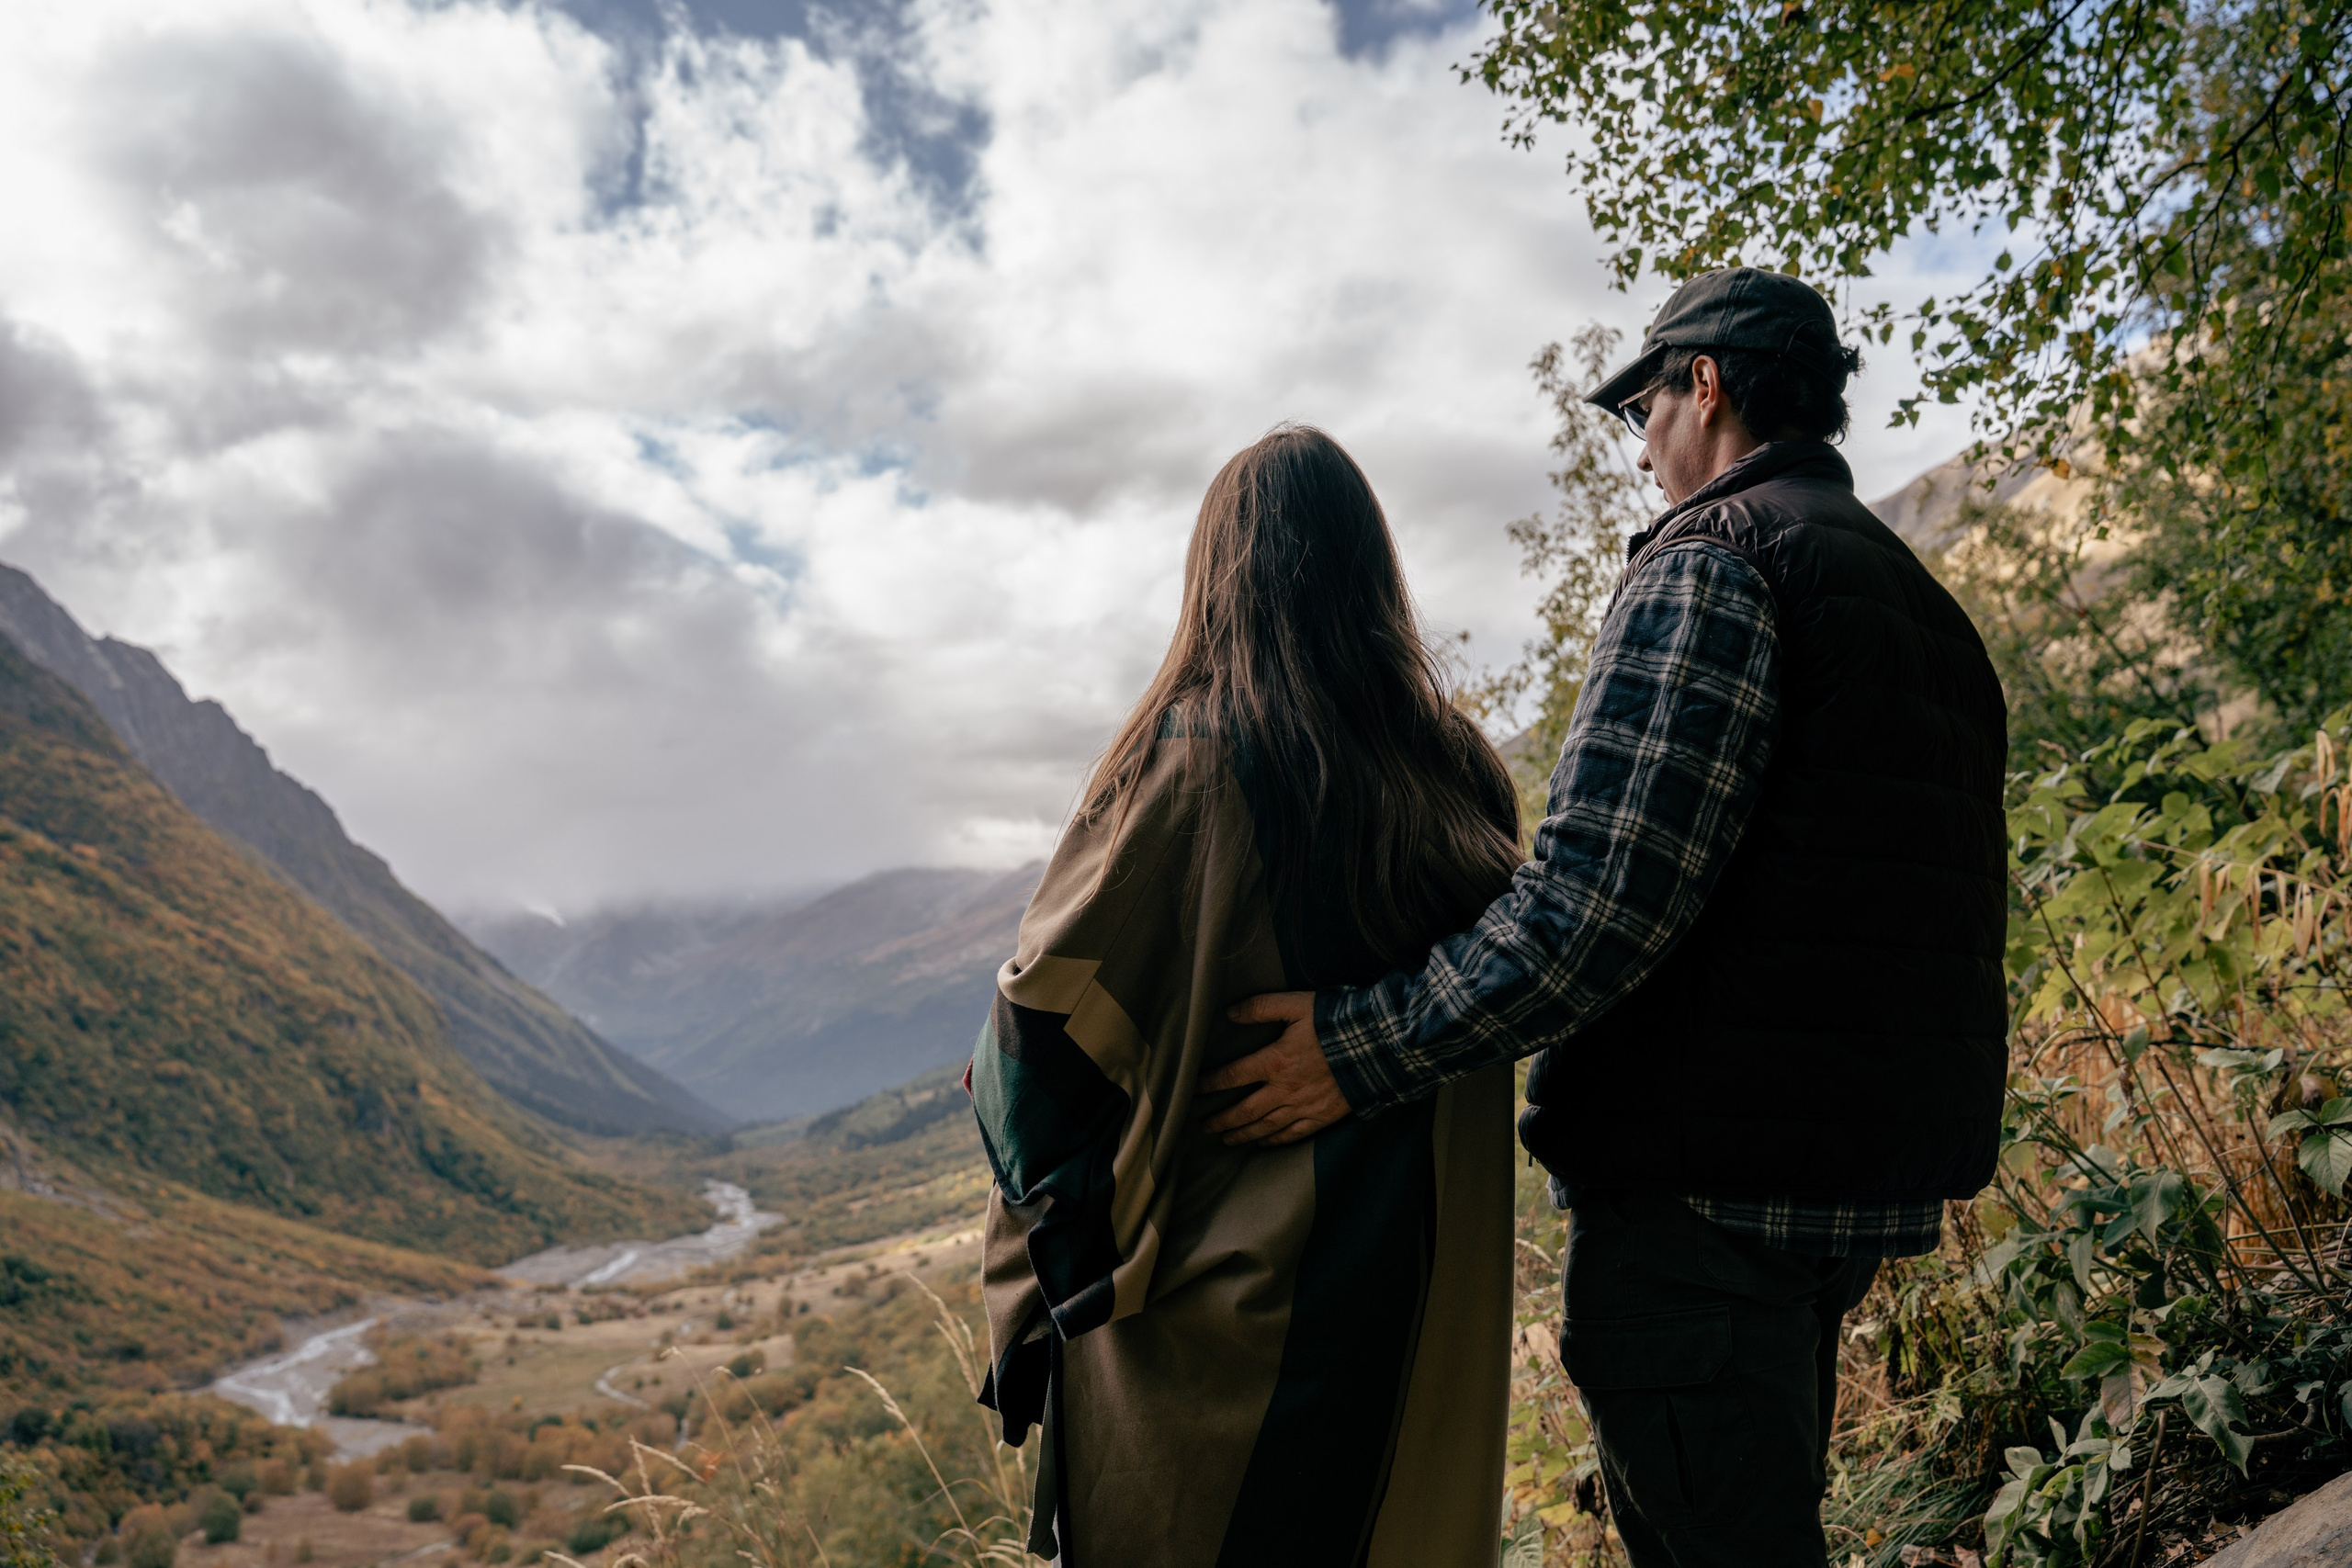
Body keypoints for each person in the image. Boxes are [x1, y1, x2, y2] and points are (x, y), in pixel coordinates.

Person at [1204, 268, 2010, 1567]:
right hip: (1846, 1186)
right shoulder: (1915, 601)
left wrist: (1353, 1048)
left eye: (1643, 406)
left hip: (1708, 1195)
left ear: (1707, 384)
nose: (1639, 447)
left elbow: (1589, 910)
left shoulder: (1713, 566)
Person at [966, 425, 1521, 1568]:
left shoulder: (1194, 767)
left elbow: (1040, 1038)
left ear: (1215, 574)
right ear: (1372, 573)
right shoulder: (1459, 773)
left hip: (1225, 1332)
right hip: (1416, 1312)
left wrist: (1050, 1258)